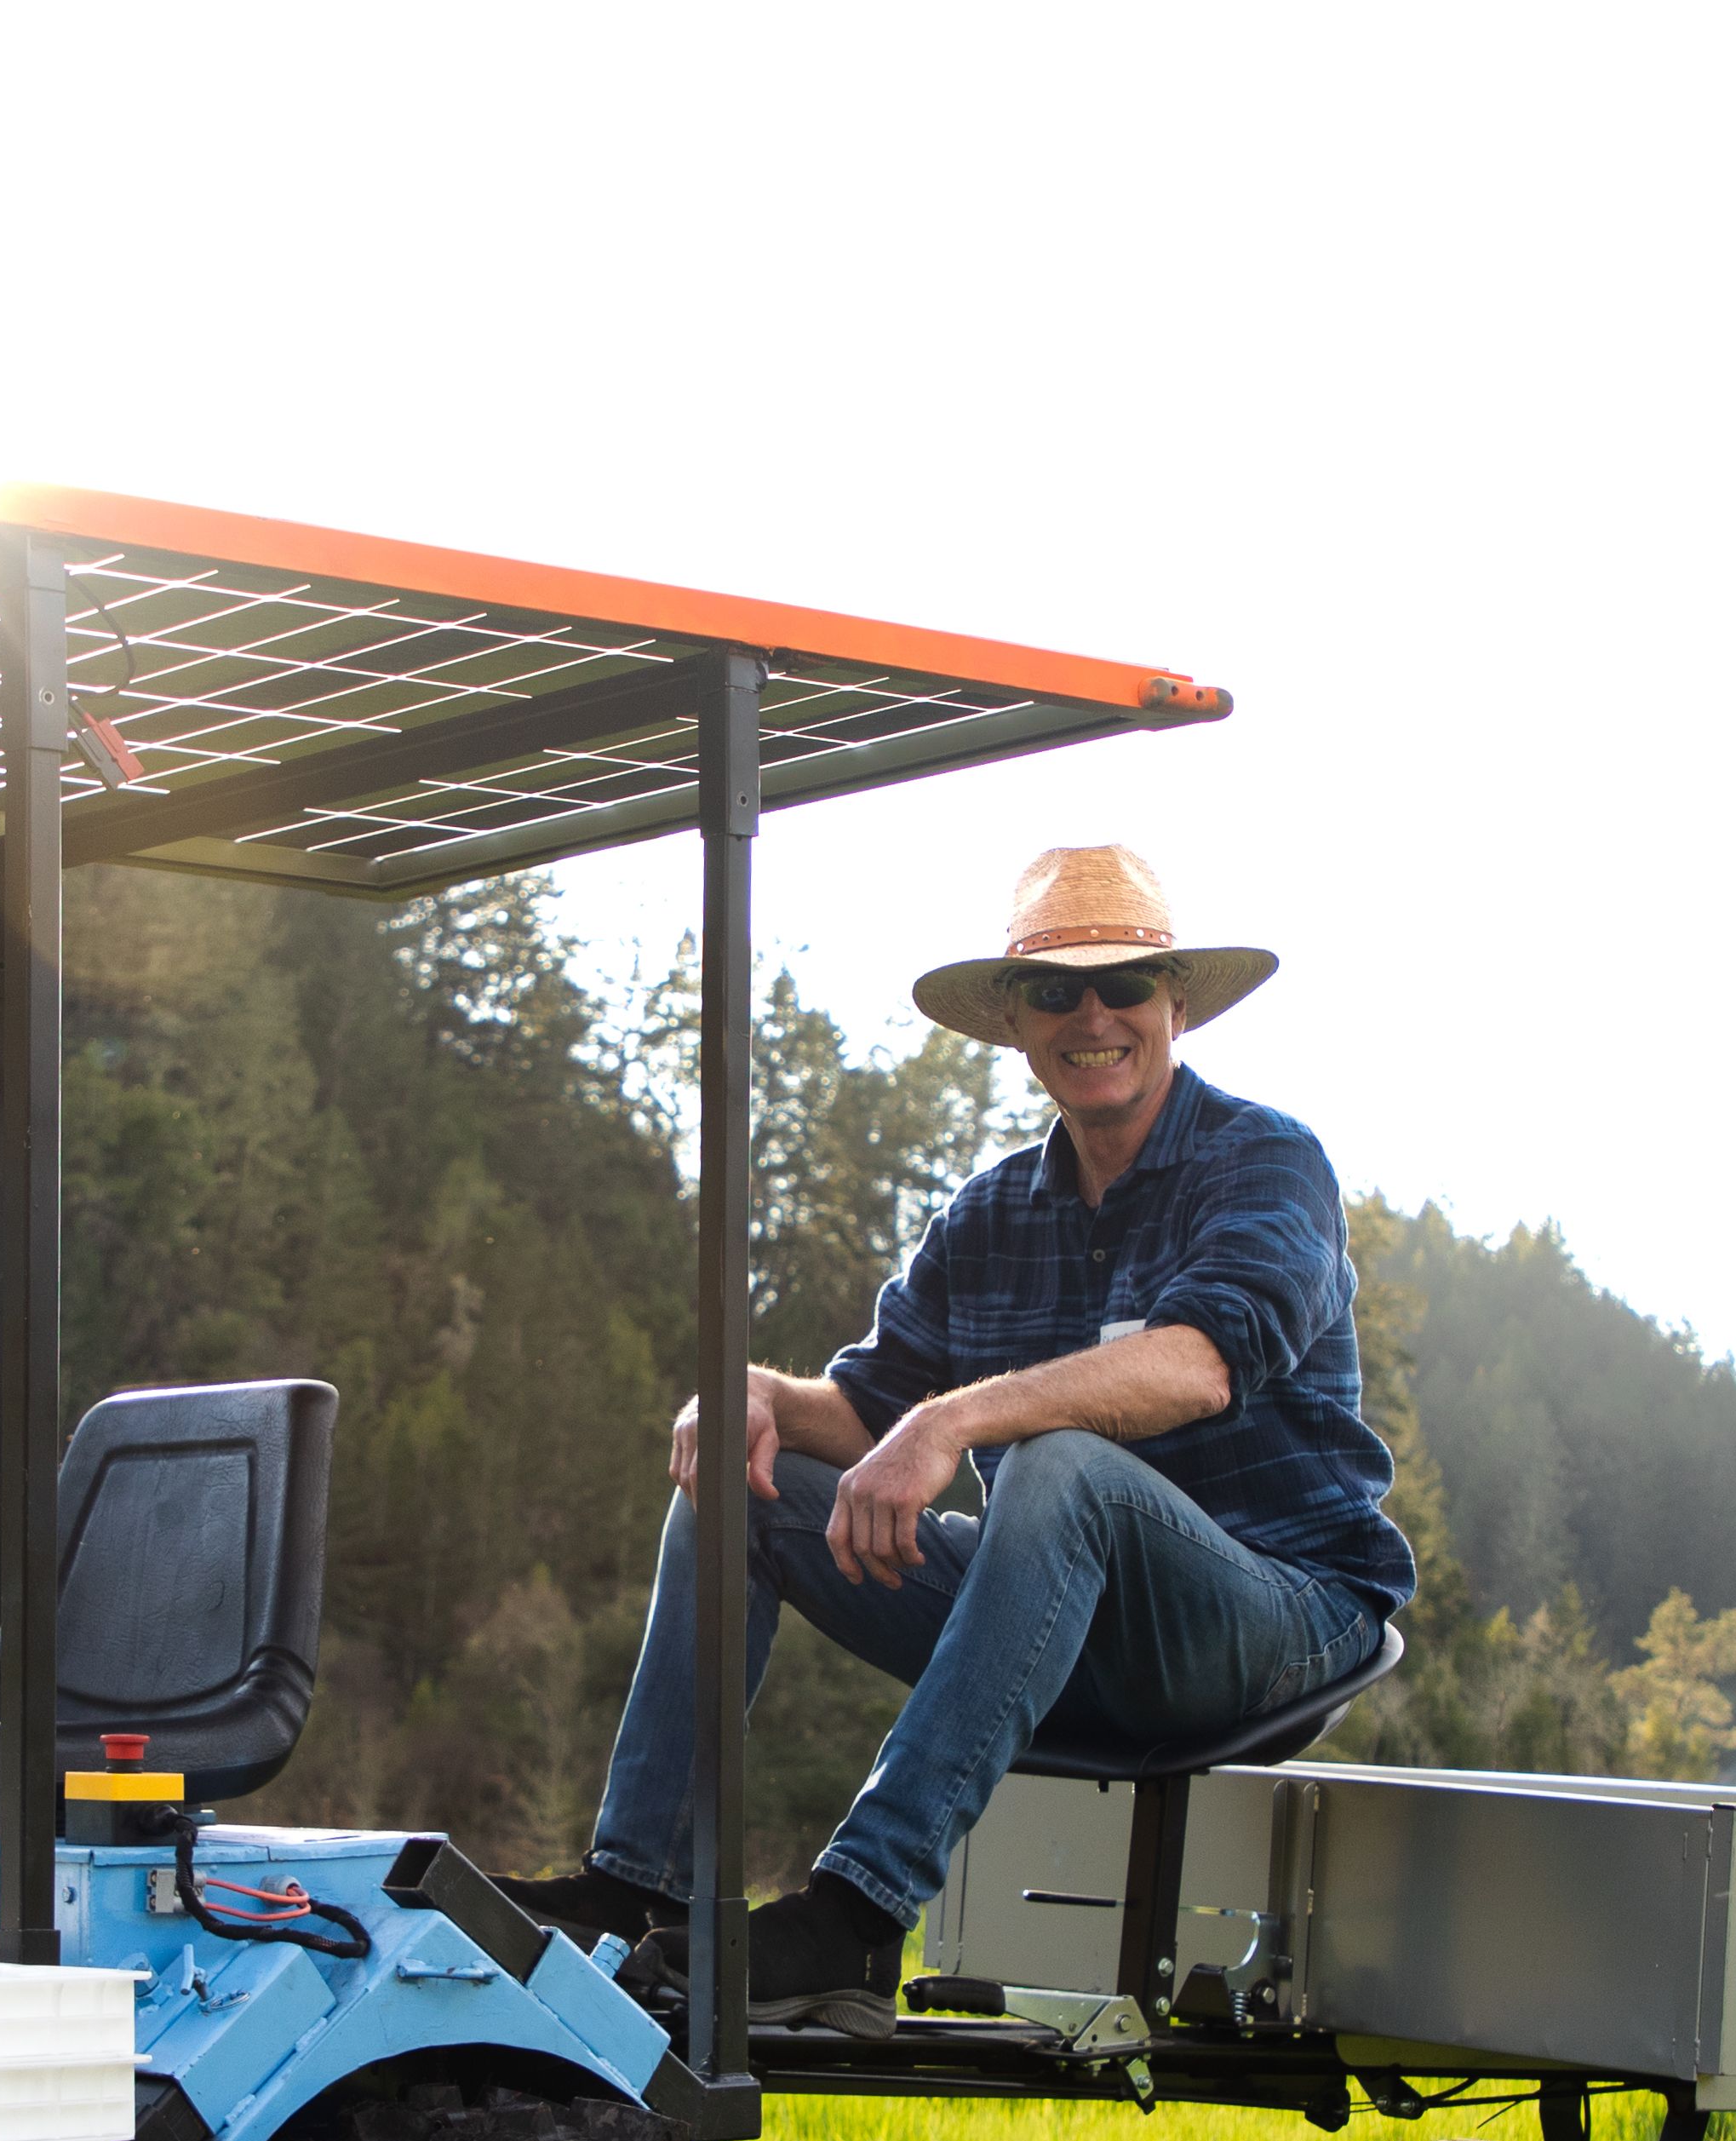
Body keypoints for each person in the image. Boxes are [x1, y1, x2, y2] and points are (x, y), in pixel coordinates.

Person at [507, 846, 1412, 2038]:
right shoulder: (988, 1214)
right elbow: (866, 1411)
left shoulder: (1266, 1161)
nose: (1093, 1016)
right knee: (742, 1489)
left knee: (1059, 1462)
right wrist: (752, 1394)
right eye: (1054, 992)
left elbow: (1198, 1364)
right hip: (1057, 1615)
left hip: (1276, 1613)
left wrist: (954, 1419)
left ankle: (857, 1910)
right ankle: (638, 1882)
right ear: (1015, 1024)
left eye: (1125, 984)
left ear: (1176, 1004)